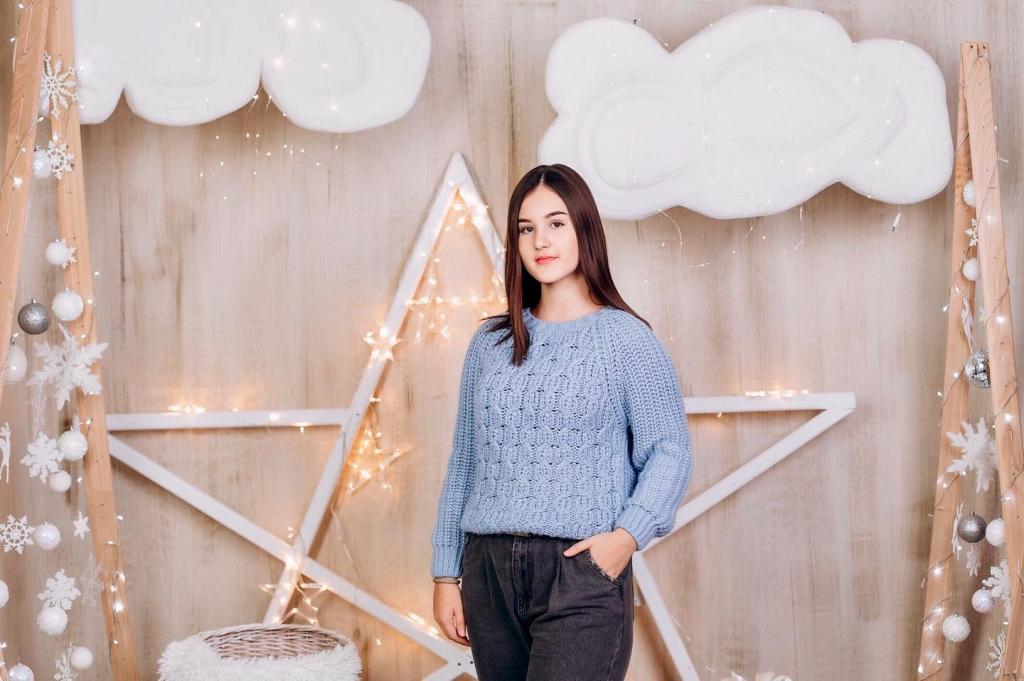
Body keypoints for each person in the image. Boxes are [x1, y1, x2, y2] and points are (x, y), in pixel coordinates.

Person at [430, 163, 694, 680]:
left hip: (580, 572)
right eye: (526, 228)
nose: (540, 241)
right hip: (488, 573)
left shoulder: (627, 340)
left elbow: (670, 450)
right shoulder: (491, 343)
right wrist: (445, 573)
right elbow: (465, 460)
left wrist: (626, 537)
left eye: (556, 223)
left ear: (584, 229)